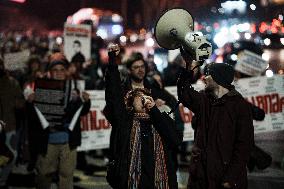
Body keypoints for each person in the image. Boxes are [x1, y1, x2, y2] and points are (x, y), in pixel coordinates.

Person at [104, 44, 183, 189]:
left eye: (142, 66)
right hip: (131, 154)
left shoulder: (154, 89)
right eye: (136, 67)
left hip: (154, 154)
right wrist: (112, 60)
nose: (141, 70)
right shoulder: (124, 95)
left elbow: (175, 131)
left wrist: (158, 109)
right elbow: (112, 93)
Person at [177, 61, 254, 189]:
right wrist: (188, 68)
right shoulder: (204, 100)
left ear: (218, 78)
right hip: (200, 178)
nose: (204, 78)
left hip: (223, 179)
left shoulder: (240, 106)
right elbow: (184, 93)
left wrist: (230, 178)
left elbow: (244, 146)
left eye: (208, 75)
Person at [26, 55, 91, 189]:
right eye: (55, 69)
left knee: (66, 176)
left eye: (62, 69)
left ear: (66, 71)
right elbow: (32, 117)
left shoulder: (74, 88)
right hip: (48, 141)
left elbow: (82, 111)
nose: (59, 72)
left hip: (68, 142)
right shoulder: (42, 88)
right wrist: (31, 102)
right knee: (44, 174)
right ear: (50, 72)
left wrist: (86, 101)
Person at [0, 58, 25, 188]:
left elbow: (21, 101)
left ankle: (2, 180)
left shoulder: (12, 83)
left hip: (9, 126)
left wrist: (18, 103)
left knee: (11, 156)